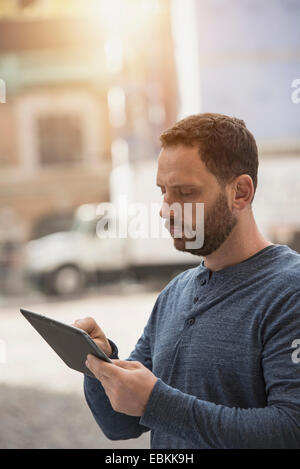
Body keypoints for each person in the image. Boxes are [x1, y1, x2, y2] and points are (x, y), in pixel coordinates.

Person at [73, 113, 300, 449]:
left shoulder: (289, 291)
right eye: (163, 192)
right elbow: (120, 423)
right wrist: (98, 361)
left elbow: (290, 430)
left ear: (240, 192)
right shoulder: (175, 293)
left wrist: (158, 403)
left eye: (184, 192)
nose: (166, 210)